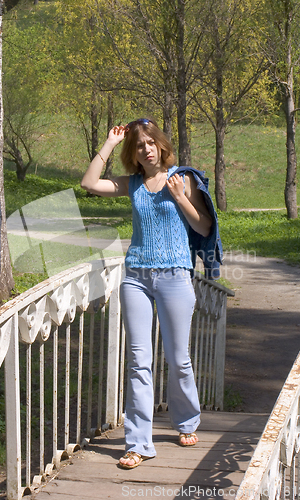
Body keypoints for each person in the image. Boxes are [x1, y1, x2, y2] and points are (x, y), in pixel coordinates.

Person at [81, 118, 212, 470]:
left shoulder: (183, 179)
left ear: (161, 145)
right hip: (136, 277)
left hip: (175, 275)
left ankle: (186, 422)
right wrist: (109, 143)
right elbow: (89, 183)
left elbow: (203, 225)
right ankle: (138, 443)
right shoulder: (133, 184)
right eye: (139, 145)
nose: (146, 148)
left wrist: (181, 198)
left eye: (151, 142)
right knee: (139, 361)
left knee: (178, 357)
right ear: (134, 153)